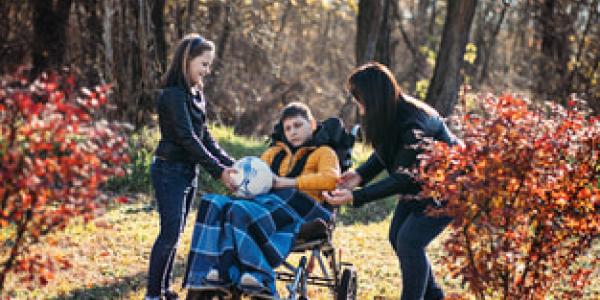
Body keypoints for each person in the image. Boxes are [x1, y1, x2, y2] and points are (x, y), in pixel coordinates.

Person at [323, 62, 461, 300]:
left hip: (448, 188)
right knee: (397, 235)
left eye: (358, 97)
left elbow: (403, 178)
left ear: (372, 96)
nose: (356, 102)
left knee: (409, 241)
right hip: (420, 186)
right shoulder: (391, 112)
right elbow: (387, 152)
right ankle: (434, 297)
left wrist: (357, 196)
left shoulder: (413, 123)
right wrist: (360, 175)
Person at [185, 102, 340, 299]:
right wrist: (239, 183)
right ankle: (212, 273)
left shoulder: (324, 152)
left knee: (240, 210)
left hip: (303, 210)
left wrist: (285, 182)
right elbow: (255, 183)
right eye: (288, 128)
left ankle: (260, 276)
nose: (293, 132)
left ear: (312, 124)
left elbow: (331, 180)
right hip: (266, 207)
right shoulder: (272, 154)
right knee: (214, 204)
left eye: (298, 125)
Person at [145, 33, 238, 300]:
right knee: (169, 232)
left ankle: (163, 289)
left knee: (177, 232)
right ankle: (153, 294)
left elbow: (205, 136)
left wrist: (231, 163)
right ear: (187, 60)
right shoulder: (173, 96)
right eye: (204, 64)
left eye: (209, 65)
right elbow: (188, 139)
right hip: (169, 171)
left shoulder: (196, 94)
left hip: (188, 172)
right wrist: (219, 171)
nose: (207, 71)